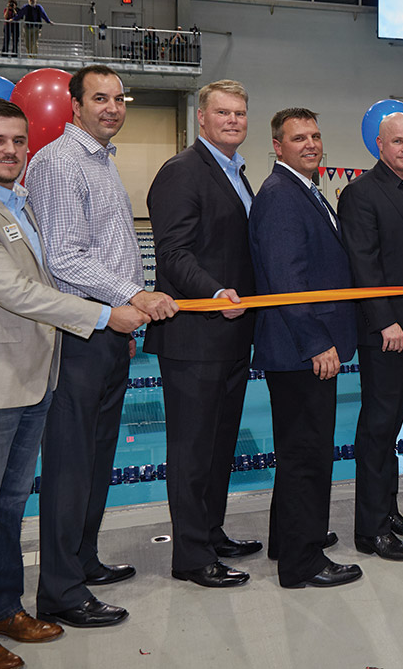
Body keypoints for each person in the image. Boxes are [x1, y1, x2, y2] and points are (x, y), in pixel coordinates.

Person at [0, 98, 146, 669]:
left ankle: (3, 609)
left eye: (18, 140)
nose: (10, 151)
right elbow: (17, 292)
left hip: (26, 379)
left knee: (7, 508)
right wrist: (106, 314)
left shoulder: (16, 203)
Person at [26, 66, 179, 628]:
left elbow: (107, 250)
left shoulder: (100, 160)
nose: (113, 107)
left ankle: (82, 559)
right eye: (100, 98)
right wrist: (134, 295)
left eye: (119, 98)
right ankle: (60, 590)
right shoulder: (60, 163)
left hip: (109, 330)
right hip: (80, 334)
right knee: (70, 465)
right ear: (75, 105)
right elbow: (65, 257)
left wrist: (125, 320)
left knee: (96, 458)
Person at [145, 79, 260, 587]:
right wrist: (214, 293)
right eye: (223, 112)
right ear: (202, 118)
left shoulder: (236, 172)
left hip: (231, 336)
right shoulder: (183, 171)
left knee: (219, 446)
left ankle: (211, 533)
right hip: (194, 337)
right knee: (193, 451)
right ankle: (191, 556)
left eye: (240, 113)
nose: (233, 120)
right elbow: (173, 253)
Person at [248, 108, 362, 586]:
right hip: (300, 348)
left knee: (300, 450)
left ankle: (290, 537)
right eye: (299, 138)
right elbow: (287, 280)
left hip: (298, 345)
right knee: (306, 455)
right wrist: (317, 343)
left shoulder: (304, 190)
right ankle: (302, 563)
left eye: (315, 135)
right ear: (278, 146)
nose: (311, 144)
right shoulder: (281, 195)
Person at [338, 112, 403, 561]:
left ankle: (388, 511)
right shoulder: (361, 193)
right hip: (387, 332)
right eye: (397, 141)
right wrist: (384, 321)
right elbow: (363, 263)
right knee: (376, 429)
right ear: (379, 145)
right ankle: (371, 530)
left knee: (391, 427)